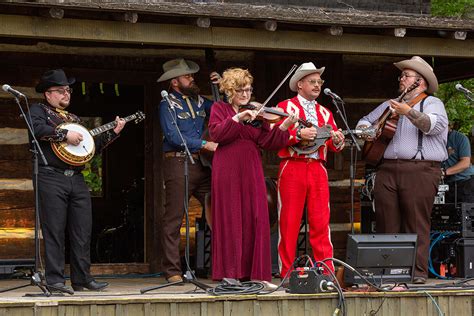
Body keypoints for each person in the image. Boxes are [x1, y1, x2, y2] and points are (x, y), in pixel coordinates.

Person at [28, 69, 126, 292]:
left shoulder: (73, 119)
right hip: (50, 176)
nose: (66, 93)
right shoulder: (38, 110)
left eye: (68, 90)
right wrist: (64, 135)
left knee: (82, 230)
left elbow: (89, 149)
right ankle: (54, 280)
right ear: (48, 94)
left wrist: (113, 133)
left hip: (77, 179)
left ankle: (82, 279)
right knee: (54, 229)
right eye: (60, 90)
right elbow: (36, 129)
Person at [357, 56, 448, 284]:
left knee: (416, 222)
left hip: (420, 169)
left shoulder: (432, 103)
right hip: (387, 169)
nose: (401, 79)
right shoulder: (390, 104)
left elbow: (432, 125)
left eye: (406, 76)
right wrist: (369, 130)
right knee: (387, 221)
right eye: (402, 75)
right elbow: (364, 122)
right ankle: (390, 271)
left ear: (421, 82)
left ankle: (417, 273)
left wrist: (408, 111)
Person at [208, 68, 297, 286]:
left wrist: (284, 126)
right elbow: (217, 134)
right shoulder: (220, 108)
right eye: (241, 91)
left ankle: (255, 275)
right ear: (230, 91)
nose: (246, 95)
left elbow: (268, 142)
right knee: (231, 217)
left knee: (255, 217)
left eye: (248, 90)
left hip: (251, 168)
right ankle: (230, 274)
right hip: (227, 168)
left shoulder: (257, 113)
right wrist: (238, 118)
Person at [275, 62, 345, 280]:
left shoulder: (325, 112)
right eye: (312, 82)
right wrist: (297, 136)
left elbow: (333, 146)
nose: (317, 85)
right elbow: (274, 137)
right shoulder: (284, 106)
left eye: (319, 82)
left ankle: (326, 271)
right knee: (289, 222)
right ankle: (286, 272)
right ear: (299, 85)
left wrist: (338, 139)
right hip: (292, 165)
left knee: (321, 222)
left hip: (317, 168)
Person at [157, 58, 219, 283]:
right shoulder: (167, 105)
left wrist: (218, 86)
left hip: (203, 164)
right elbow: (173, 137)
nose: (192, 79)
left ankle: (219, 267)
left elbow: (222, 111)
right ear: (175, 82)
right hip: (178, 163)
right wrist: (204, 144)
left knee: (218, 211)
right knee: (174, 218)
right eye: (187, 76)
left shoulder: (201, 101)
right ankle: (172, 270)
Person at [442, 124, 474, 203]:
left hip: (465, 181)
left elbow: (465, 163)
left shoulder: (461, 138)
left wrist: (444, 172)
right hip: (447, 184)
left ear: (449, 125)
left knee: (465, 212)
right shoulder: (436, 140)